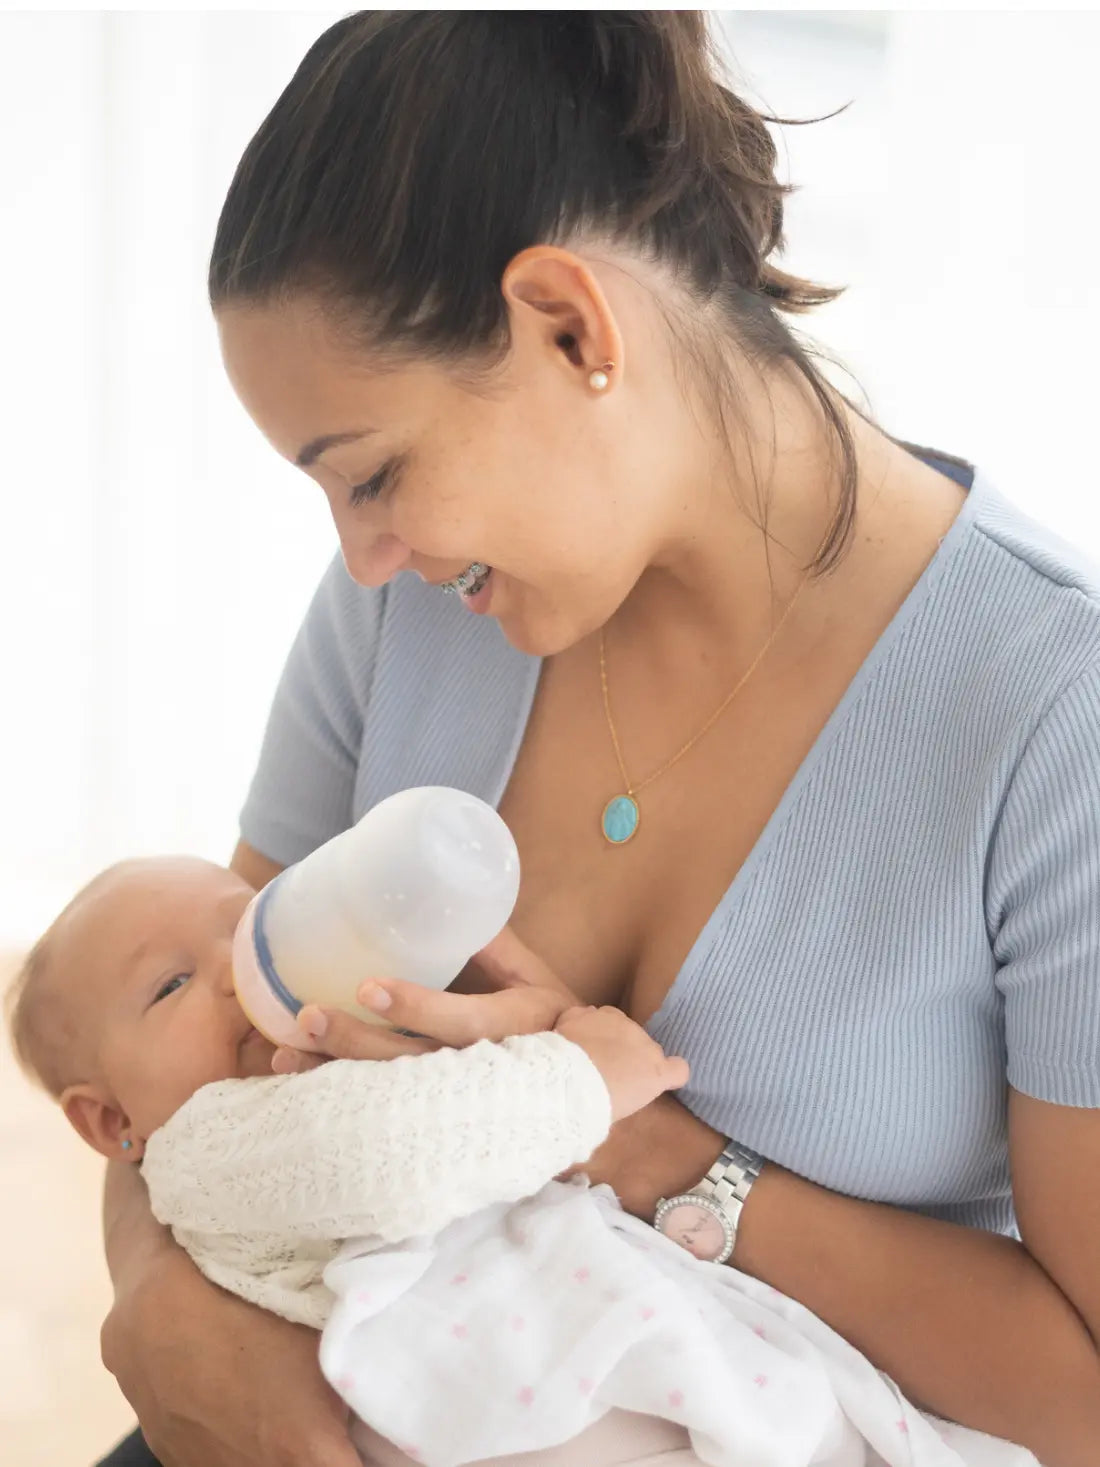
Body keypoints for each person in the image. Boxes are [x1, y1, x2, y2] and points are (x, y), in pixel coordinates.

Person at [91, 11, 1100, 1467]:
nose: (363, 555)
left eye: (371, 473)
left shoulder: (1050, 714)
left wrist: (632, 1144)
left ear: (572, 323)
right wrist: (156, 1317)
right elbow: (176, 1043)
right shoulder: (416, 607)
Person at [11, 856, 1031, 1467]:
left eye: (244, 930)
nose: (238, 978)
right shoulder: (208, 1151)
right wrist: (583, 1082)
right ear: (111, 1128)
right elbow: (389, 1149)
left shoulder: (309, 1063)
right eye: (172, 985)